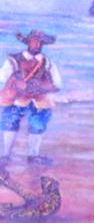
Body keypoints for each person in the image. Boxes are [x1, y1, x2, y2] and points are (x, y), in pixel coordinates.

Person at [0, 29, 63, 165]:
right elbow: (2, 77)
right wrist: (16, 81)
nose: (37, 45)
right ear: (28, 42)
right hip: (17, 99)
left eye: (40, 43)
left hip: (39, 100)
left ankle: (33, 156)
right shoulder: (13, 60)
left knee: (38, 124)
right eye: (34, 42)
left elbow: (57, 83)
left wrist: (43, 87)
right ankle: (5, 155)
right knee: (10, 122)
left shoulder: (47, 63)